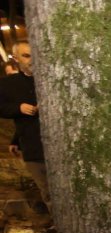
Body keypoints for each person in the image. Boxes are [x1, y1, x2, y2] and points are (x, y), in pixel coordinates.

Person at [0, 40, 51, 215]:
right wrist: (18, 108)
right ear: (16, 58)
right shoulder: (8, 84)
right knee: (47, 192)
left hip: (61, 147)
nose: (32, 60)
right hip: (33, 149)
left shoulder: (52, 80)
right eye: (26, 56)